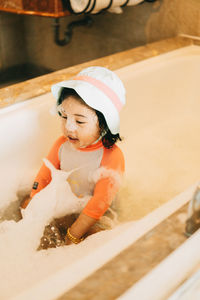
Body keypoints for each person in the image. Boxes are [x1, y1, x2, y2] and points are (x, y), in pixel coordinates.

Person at [21, 66, 126, 247]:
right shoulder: (61, 145)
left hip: (96, 214)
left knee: (98, 237)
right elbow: (43, 176)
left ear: (104, 124)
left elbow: (100, 202)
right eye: (64, 116)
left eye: (79, 121)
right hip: (66, 204)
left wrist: (74, 233)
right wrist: (35, 202)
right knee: (25, 203)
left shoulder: (111, 157)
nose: (69, 127)